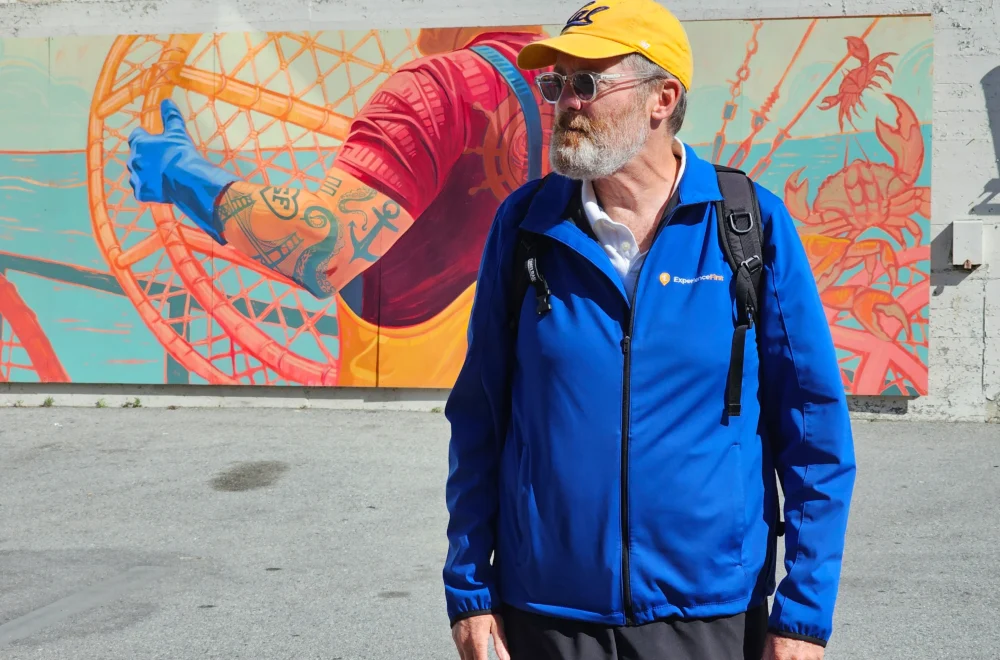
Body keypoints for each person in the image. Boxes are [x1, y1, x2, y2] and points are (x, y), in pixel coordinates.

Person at [442, 1, 857, 659]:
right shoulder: (525, 227)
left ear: (662, 98)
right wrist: (469, 589)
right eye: (557, 84)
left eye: (587, 82)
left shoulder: (748, 226)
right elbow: (480, 418)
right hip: (548, 611)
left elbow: (813, 432)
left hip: (709, 611)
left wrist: (802, 614)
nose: (566, 102)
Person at [126, 26, 554, 388]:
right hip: (533, 403)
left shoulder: (436, 90)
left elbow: (324, 249)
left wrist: (181, 175)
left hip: (406, 418)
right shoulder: (573, 85)